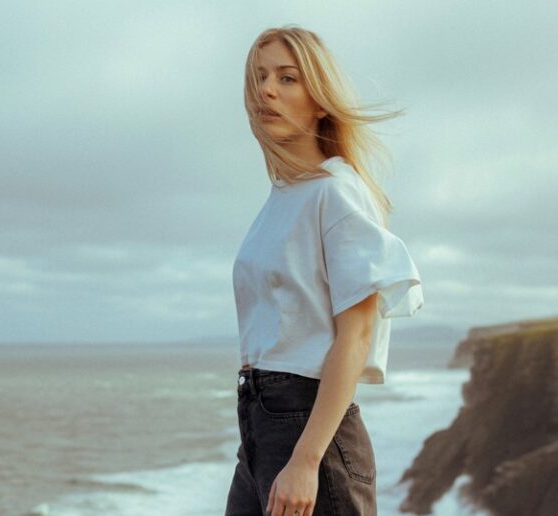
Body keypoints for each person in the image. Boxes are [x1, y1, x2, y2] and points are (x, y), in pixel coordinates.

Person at [225, 25, 423, 516]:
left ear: (319, 100)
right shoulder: (283, 197)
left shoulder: (336, 192)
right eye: (259, 77)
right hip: (260, 427)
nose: (266, 89)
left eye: (287, 78)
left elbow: (354, 337)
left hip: (308, 429)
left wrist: (306, 459)